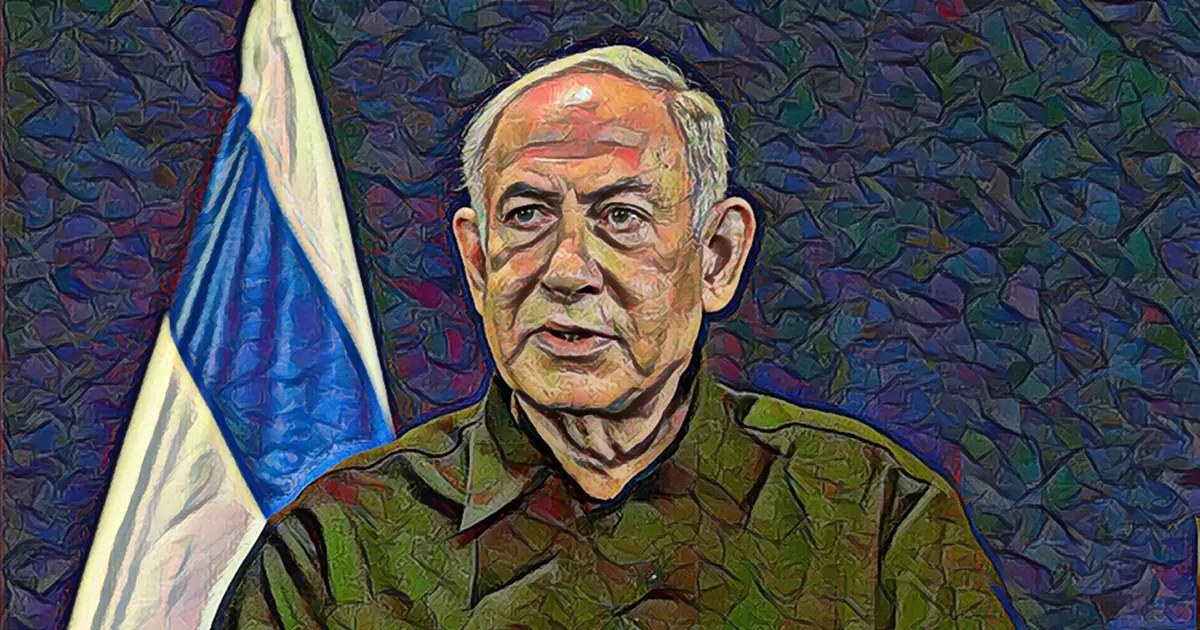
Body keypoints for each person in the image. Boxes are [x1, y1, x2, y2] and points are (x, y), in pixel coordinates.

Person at [214, 45, 1016, 629]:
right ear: (477, 261)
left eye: (621, 217)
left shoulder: (874, 523)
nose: (567, 269)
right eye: (528, 215)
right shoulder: (337, 551)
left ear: (717, 257)